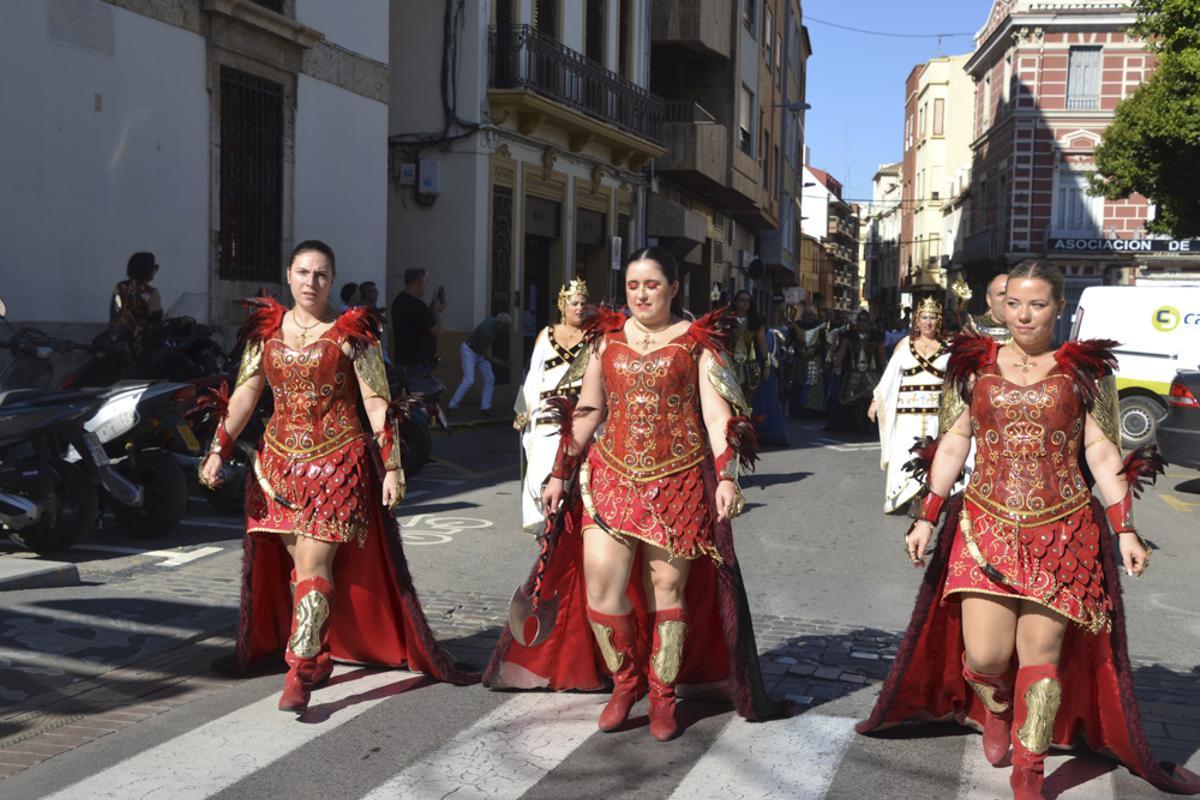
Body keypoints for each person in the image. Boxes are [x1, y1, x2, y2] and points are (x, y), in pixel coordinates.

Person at [857, 261, 1199, 798]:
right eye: (1013, 302)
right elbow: (952, 443)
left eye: (1037, 304)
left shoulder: (1087, 371)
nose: (1023, 314)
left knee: (1042, 655)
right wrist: (927, 514)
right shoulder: (972, 365)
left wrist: (1124, 528)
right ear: (998, 304)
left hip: (1064, 531)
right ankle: (994, 710)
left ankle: (1029, 774)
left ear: (1059, 308)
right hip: (984, 525)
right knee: (987, 656)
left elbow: (1102, 448)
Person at [483, 247, 783, 740]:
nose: (642, 294)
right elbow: (588, 409)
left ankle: (662, 694)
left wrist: (727, 476)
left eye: (653, 285)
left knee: (667, 589)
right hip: (611, 477)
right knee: (603, 587)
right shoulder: (606, 341)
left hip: (678, 482)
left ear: (674, 288)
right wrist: (559, 471)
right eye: (633, 286)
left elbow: (716, 417)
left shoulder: (697, 342)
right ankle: (625, 682)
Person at [198, 240, 474, 712]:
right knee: (297, 569)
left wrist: (391, 465)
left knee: (313, 562)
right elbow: (245, 395)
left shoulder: (353, 334)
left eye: (321, 275)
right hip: (278, 466)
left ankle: (300, 669)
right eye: (304, 273)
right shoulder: (265, 334)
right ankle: (318, 654)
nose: (311, 283)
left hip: (337, 463)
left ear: (331, 280)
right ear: (288, 276)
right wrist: (217, 450)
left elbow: (375, 400)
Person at [513, 279, 589, 535]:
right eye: (574, 303)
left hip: (579, 415)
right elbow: (533, 376)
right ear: (562, 305)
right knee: (539, 475)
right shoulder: (546, 335)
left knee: (577, 478)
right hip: (546, 416)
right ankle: (545, 531)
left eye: (583, 303)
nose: (580, 308)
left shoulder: (593, 337)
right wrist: (522, 413)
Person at [868, 297, 954, 513]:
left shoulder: (948, 348)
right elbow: (889, 378)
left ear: (939, 320)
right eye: (924, 317)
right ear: (917, 320)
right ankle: (907, 497)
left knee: (935, 456)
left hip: (936, 414)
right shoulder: (904, 345)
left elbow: (955, 380)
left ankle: (928, 498)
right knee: (907, 454)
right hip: (907, 415)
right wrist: (875, 403)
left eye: (933, 317)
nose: (928, 322)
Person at [829, 310, 885, 432]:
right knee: (849, 398)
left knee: (872, 397)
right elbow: (842, 352)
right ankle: (855, 422)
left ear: (870, 322)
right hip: (853, 372)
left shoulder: (877, 336)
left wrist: (886, 371)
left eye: (865, 320)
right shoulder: (849, 335)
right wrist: (835, 365)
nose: (862, 323)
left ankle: (870, 423)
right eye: (860, 320)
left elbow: (881, 355)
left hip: (872, 373)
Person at [448, 312, 512, 413]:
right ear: (500, 325)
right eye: (506, 328)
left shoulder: (494, 324)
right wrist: (503, 364)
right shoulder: (486, 331)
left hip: (480, 353)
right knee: (469, 380)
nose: (506, 331)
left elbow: (487, 352)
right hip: (469, 351)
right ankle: (452, 405)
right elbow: (488, 356)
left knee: (490, 378)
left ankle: (485, 407)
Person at [109, 251, 164, 360]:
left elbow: (114, 311)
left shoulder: (120, 287)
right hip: (138, 345)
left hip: (115, 341)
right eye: (154, 267)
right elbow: (156, 321)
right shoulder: (150, 293)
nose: (155, 270)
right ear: (147, 270)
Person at [391, 268, 445, 369]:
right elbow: (437, 332)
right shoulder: (417, 305)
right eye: (425, 282)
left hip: (403, 359)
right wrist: (437, 313)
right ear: (418, 283)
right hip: (417, 363)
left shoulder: (399, 300)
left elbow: (421, 319)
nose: (426, 286)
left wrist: (432, 307)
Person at [787, 304, 826, 417]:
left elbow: (825, 343)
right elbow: (790, 340)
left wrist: (825, 358)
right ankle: (797, 408)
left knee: (814, 386)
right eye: (806, 314)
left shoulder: (821, 326)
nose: (809, 317)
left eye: (811, 314)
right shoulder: (797, 325)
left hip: (815, 359)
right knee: (798, 383)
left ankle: (813, 410)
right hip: (799, 359)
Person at [730, 290, 768, 401]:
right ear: (736, 302)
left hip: (750, 366)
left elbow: (763, 345)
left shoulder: (755, 322)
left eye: (748, 300)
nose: (745, 303)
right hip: (730, 364)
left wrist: (767, 365)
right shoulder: (727, 320)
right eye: (742, 300)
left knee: (748, 401)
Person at [967, 272, 1012, 343]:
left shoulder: (1027, 330)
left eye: (1012, 293)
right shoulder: (972, 330)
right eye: (1002, 294)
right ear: (989, 300)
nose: (1007, 298)